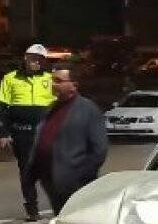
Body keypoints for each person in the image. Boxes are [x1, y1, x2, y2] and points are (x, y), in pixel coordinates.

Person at [28, 68, 108, 215]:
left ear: (74, 85)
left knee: (77, 220)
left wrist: (79, 175)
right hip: (50, 178)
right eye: (51, 80)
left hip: (74, 182)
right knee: (61, 218)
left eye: (58, 81)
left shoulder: (88, 110)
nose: (53, 84)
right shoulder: (51, 108)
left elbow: (99, 150)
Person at [0, 44, 56, 221]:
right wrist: (3, 133)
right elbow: (3, 107)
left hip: (46, 134)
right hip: (22, 134)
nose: (36, 62)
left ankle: (60, 206)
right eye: (32, 58)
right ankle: (32, 209)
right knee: (26, 172)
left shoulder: (51, 79)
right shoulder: (10, 78)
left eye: (40, 59)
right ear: (25, 58)